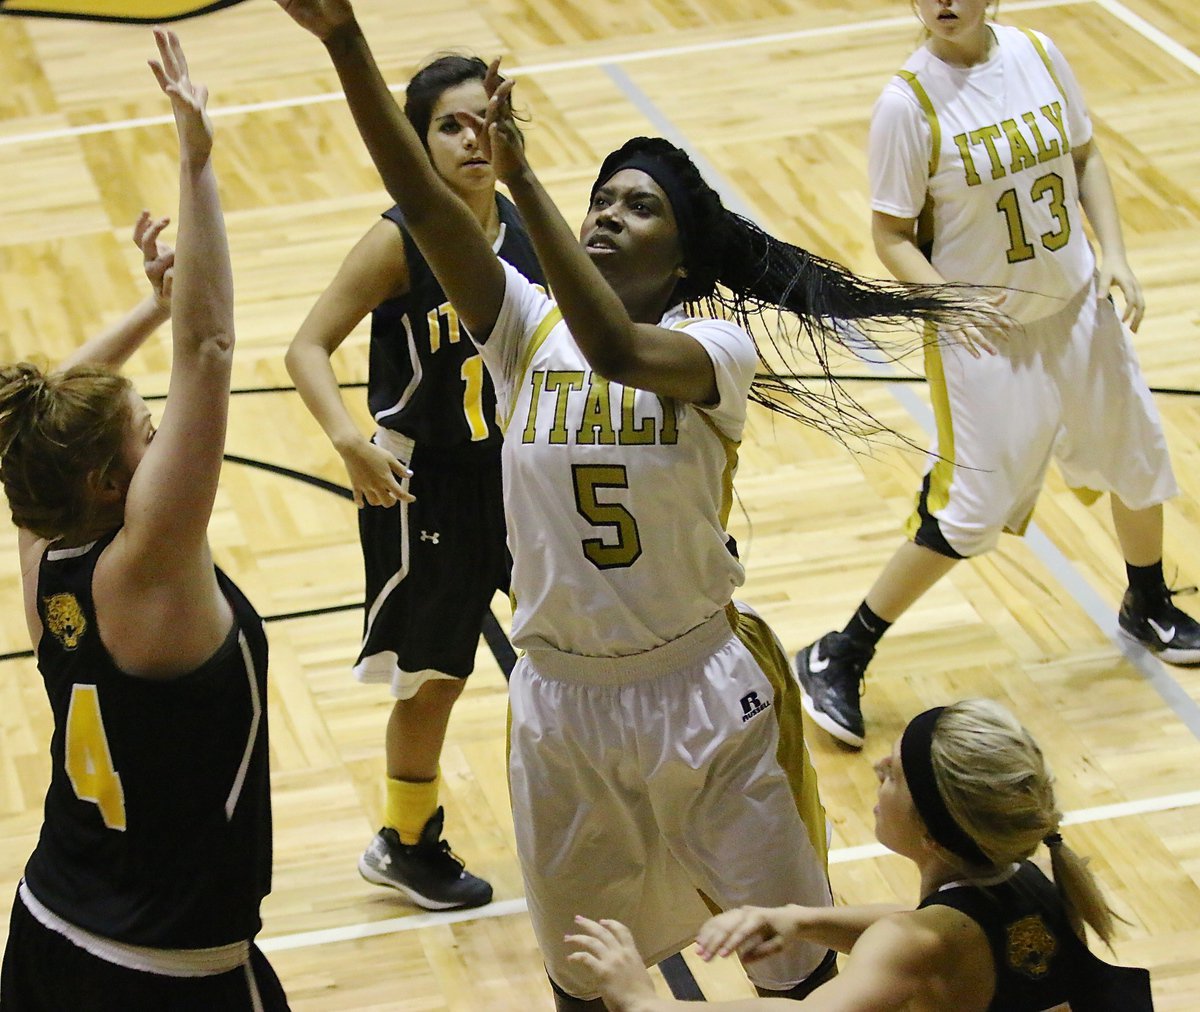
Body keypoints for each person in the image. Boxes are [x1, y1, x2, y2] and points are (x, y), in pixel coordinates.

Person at [275, 2, 995, 1007]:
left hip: (703, 695)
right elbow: (424, 210)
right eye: (600, 199)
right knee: (584, 980)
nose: (609, 214)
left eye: (639, 206)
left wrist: (525, 178)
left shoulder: (713, 352)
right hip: (563, 708)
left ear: (685, 257)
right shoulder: (523, 329)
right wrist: (344, 40)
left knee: (793, 966)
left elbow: (614, 349)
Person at [794, 0, 1200, 750]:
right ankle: (839, 652)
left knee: (1139, 461)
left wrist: (1115, 254)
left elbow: (1085, 157)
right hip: (985, 336)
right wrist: (948, 303)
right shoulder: (907, 104)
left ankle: (1147, 602)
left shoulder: (1038, 54)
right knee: (971, 513)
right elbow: (890, 235)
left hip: (1077, 307)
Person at [0, 31, 288, 1011]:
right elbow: (210, 350)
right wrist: (196, 164)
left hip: (45, 927)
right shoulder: (147, 568)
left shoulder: (45, 558)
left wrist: (146, 310)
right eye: (147, 433)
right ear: (109, 482)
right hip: (164, 969)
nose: (164, 433)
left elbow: (40, 418)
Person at [285, 52, 543, 911]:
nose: (473, 139)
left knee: (572, 643)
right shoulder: (398, 240)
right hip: (424, 483)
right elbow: (306, 346)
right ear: (417, 143)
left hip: (519, 473)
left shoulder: (527, 226)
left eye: (484, 121)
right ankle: (404, 841)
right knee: (436, 675)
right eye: (449, 126)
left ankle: (597, 801)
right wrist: (347, 439)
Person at [567, 699, 1153, 1011]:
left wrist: (645, 1004)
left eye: (893, 775)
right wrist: (798, 919)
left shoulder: (919, 943)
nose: (875, 766)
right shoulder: (1029, 876)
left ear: (932, 835)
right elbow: (924, 929)